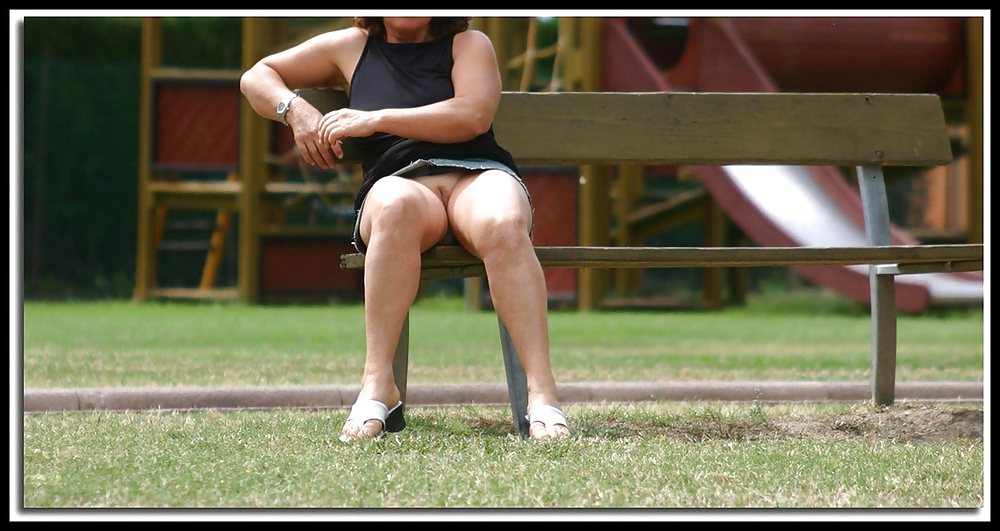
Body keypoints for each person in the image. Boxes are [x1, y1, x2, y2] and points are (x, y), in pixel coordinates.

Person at [241, 17, 570, 441]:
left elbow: (472, 115)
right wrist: (296, 110)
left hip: (477, 175)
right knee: (394, 206)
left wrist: (376, 119)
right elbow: (256, 77)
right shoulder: (349, 47)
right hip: (403, 185)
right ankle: (379, 386)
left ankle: (543, 394)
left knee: (504, 222)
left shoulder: (468, 44)